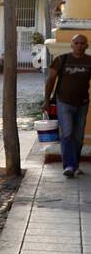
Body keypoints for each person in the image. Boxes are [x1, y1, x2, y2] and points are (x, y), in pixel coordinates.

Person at [44, 34, 91, 178]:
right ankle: (69, 165)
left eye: (82, 43)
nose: (79, 45)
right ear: (71, 45)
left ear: (86, 46)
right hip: (63, 102)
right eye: (76, 43)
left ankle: (74, 164)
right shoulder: (61, 60)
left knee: (78, 136)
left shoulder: (90, 61)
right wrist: (46, 100)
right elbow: (51, 79)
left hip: (82, 103)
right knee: (67, 133)